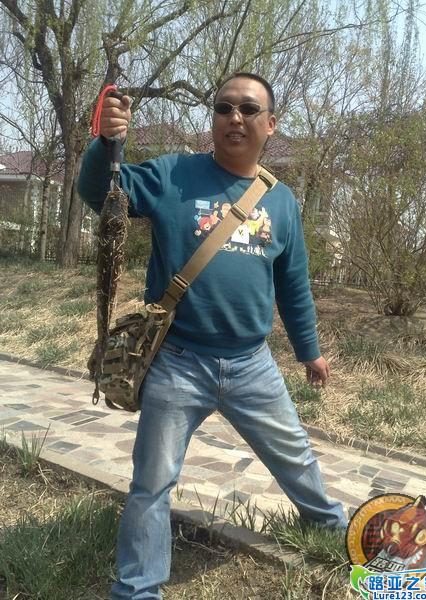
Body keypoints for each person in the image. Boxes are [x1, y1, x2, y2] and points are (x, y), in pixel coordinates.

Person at [77, 72, 347, 600]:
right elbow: (99, 191)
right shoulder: (173, 174)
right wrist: (105, 142)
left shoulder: (282, 202)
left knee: (294, 456)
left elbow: (293, 285)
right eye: (224, 108)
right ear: (214, 119)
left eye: (248, 109)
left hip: (252, 365)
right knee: (151, 482)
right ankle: (137, 589)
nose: (235, 118)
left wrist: (309, 352)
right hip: (178, 362)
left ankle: (332, 528)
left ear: (271, 124)